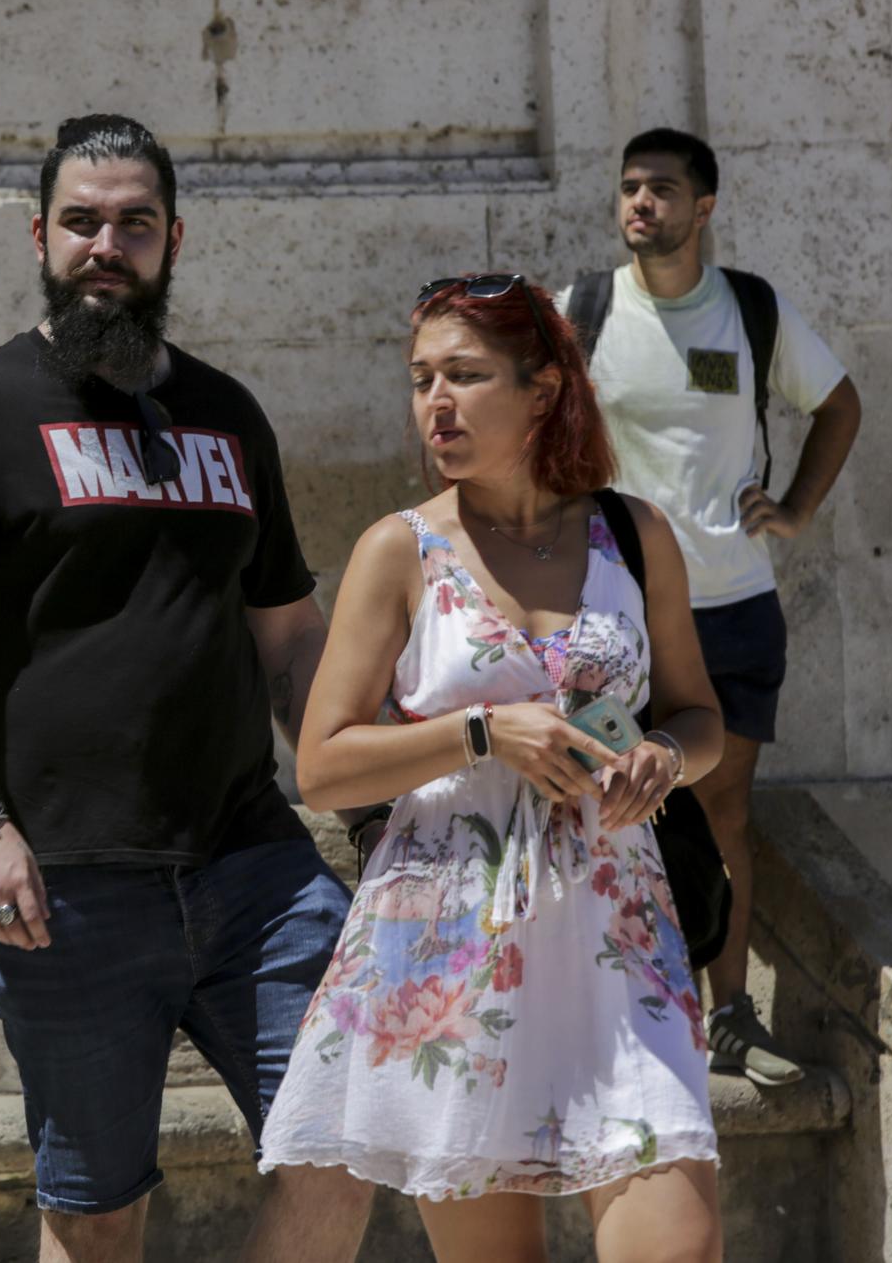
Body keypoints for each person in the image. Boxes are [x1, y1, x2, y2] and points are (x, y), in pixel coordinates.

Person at [0, 114, 376, 1263]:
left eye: (133, 223)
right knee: (95, 1213)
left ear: (172, 240)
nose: (108, 243)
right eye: (83, 221)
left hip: (252, 864)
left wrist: (373, 800)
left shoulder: (228, 415)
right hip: (63, 881)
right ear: (38, 234)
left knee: (348, 1136)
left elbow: (290, 638)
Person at [257, 274, 727, 1263]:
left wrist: (661, 755)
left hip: (615, 933)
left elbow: (698, 718)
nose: (436, 400)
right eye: (421, 377)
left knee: (677, 1246)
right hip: (448, 947)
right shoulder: (400, 549)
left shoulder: (634, 537)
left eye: (465, 375)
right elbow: (323, 766)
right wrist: (478, 732)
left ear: (544, 389)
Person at [557, 128, 862, 1086]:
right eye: (630, 189)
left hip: (732, 605)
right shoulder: (583, 312)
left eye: (661, 190)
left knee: (723, 805)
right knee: (601, 807)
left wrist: (798, 507)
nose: (641, 204)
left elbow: (840, 404)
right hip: (612, 610)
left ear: (704, 208)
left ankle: (728, 1012)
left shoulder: (751, 310)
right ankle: (617, 1009)